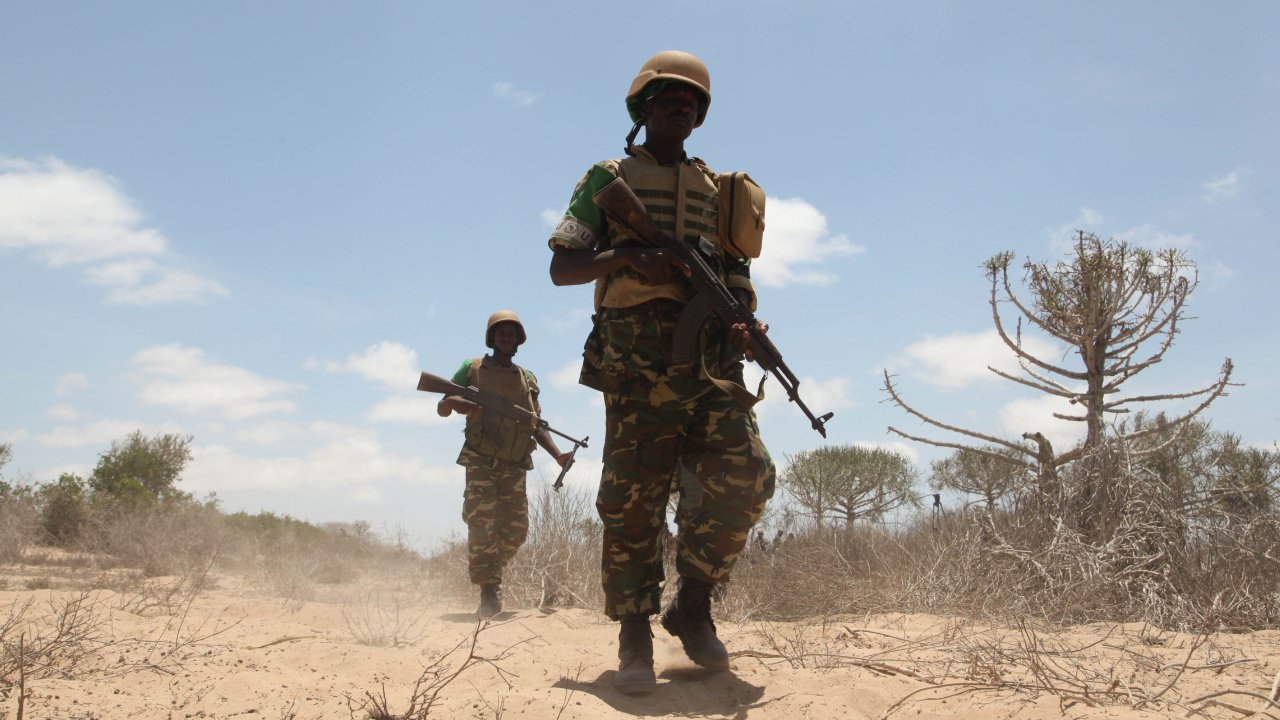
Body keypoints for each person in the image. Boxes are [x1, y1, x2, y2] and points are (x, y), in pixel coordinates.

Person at [546, 51, 776, 694]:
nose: (681, 106)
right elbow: (564, 266)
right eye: (667, 97)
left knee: (747, 474)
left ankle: (691, 605)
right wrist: (632, 254)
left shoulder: (717, 190)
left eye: (692, 101)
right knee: (632, 500)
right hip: (636, 357)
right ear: (641, 107)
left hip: (709, 358)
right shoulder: (607, 177)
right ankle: (634, 634)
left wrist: (743, 321)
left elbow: (735, 273)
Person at [437, 310, 572, 618]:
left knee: (516, 531)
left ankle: (491, 572)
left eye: (511, 333)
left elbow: (535, 423)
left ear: (519, 339)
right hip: (481, 459)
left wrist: (558, 455)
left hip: (514, 463)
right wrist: (459, 405)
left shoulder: (527, 379)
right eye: (501, 333)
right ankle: (489, 591)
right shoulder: (471, 369)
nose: (506, 337)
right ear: (492, 338)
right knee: (482, 523)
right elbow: (443, 405)